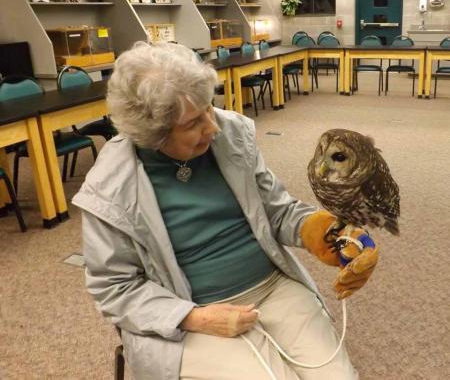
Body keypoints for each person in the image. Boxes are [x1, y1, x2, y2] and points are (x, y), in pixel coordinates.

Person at [73, 41, 378, 380]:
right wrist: (194, 318)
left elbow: (277, 211)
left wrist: (326, 231)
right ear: (153, 134)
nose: (212, 126)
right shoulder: (110, 188)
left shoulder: (230, 134)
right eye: (192, 123)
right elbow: (114, 287)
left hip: (272, 285)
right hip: (190, 312)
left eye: (210, 107)